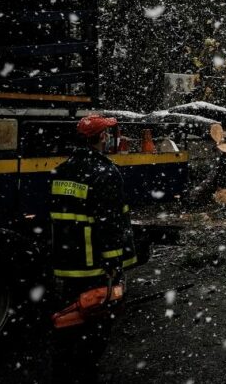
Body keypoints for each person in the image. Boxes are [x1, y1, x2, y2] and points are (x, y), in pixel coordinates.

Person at [48, 114, 136, 384]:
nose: (111, 138)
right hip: (93, 263)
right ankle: (85, 372)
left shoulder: (63, 169)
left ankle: (64, 369)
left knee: (71, 317)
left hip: (67, 258)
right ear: (100, 138)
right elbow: (108, 222)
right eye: (107, 133)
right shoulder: (105, 172)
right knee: (97, 321)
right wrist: (113, 264)